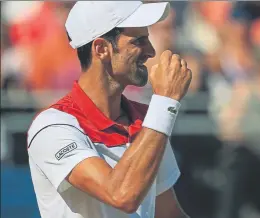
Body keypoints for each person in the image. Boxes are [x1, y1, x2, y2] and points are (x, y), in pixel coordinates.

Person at [27, 1, 192, 218]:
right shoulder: (53, 126)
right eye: (139, 41)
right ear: (101, 49)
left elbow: (169, 213)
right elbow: (121, 195)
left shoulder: (148, 120)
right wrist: (165, 101)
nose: (151, 51)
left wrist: (161, 108)